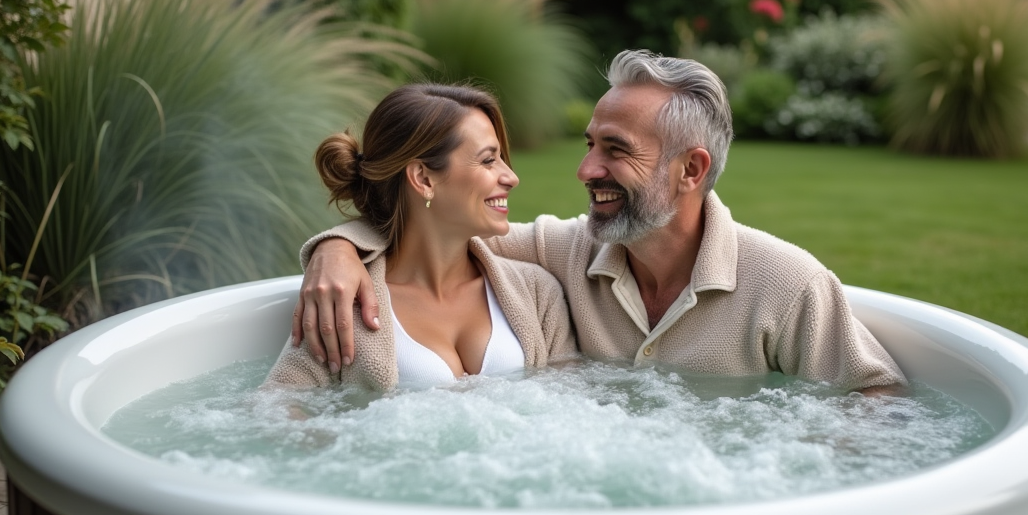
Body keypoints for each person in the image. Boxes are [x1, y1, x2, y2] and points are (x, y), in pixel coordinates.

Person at [292, 51, 905, 392]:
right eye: (588, 145)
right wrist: (338, 247)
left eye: (615, 150)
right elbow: (442, 232)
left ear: (691, 170)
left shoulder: (785, 282)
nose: (585, 170)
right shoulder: (567, 253)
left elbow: (879, 399)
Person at [266, 83, 576, 390]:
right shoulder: (345, 302)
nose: (511, 177)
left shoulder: (537, 294)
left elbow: (574, 403)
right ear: (424, 179)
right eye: (488, 160)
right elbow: (276, 409)